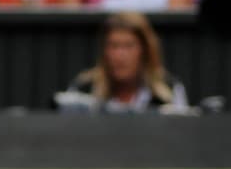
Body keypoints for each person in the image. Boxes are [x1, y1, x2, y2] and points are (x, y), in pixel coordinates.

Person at [59, 12, 189, 112]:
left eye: (128, 46)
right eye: (114, 46)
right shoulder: (83, 89)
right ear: (104, 51)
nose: (120, 55)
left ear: (145, 50)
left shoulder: (168, 91)